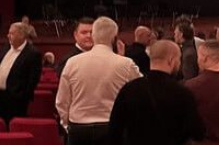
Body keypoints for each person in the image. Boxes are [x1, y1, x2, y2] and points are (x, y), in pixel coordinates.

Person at [56, 17, 141, 145]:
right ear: (114, 38)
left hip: (79, 127)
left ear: (94, 36)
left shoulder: (72, 62)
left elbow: (62, 101)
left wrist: (67, 125)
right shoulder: (126, 64)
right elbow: (140, 91)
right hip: (111, 126)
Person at [108, 40, 205, 145]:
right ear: (171, 60)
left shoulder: (129, 89)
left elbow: (115, 130)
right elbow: (198, 133)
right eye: (178, 59)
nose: (179, 63)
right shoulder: (182, 92)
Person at [0, 22, 42, 124]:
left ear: (22, 35)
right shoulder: (6, 47)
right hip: (0, 96)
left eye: (12, 33)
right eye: (8, 33)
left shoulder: (33, 53)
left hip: (16, 101)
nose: (8, 36)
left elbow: (33, 80)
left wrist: (21, 97)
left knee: (13, 127)